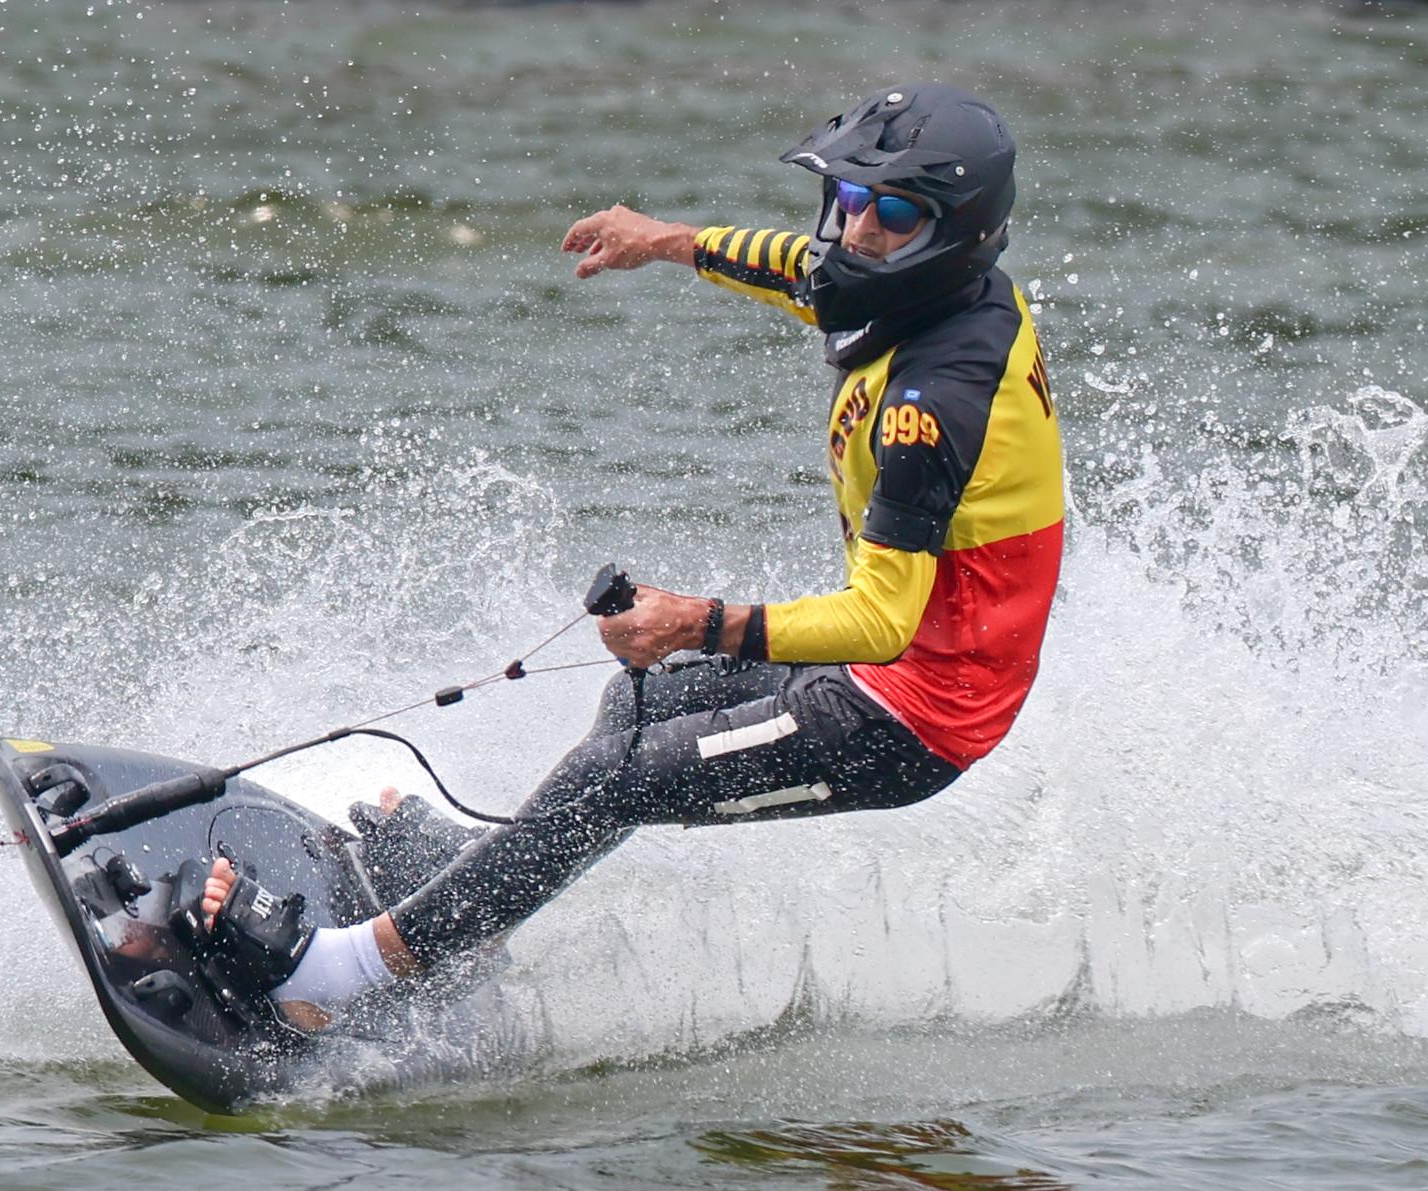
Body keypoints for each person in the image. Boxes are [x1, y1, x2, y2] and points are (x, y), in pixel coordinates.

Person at [184, 82, 1065, 1033]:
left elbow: (885, 621)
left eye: (890, 211)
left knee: (622, 776)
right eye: (847, 201)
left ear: (952, 232)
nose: (855, 230)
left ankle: (347, 974)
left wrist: (702, 618)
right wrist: (664, 239)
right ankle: (474, 909)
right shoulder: (924, 288)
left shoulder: (934, 404)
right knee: (634, 707)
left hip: (915, 715)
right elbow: (796, 268)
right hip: (885, 662)